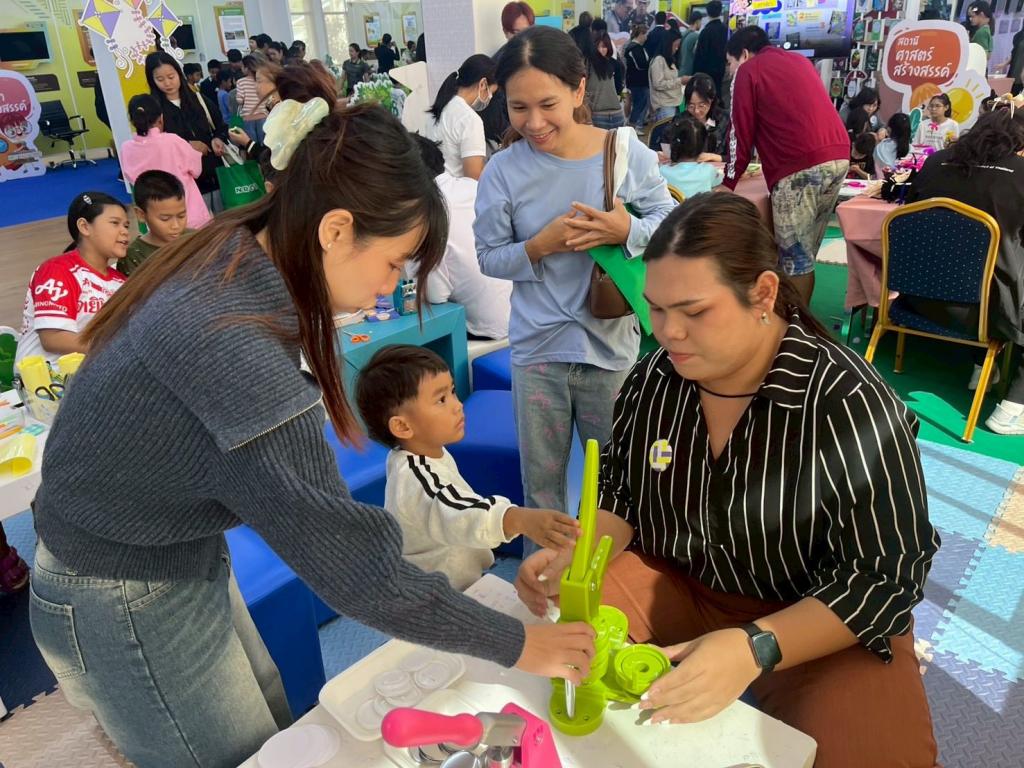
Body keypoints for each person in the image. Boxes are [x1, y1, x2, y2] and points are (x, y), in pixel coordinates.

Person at [28, 96, 597, 768]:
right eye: (394, 262)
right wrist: (522, 644)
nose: (390, 286)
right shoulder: (236, 347)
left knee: (271, 733)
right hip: (117, 584)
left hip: (159, 549)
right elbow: (356, 570)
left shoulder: (238, 246)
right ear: (336, 230)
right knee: (237, 754)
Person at [516, 191, 941, 768]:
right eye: (656, 309)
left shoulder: (849, 404)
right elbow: (621, 492)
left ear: (763, 293)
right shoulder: (655, 380)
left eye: (694, 312)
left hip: (809, 613)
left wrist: (754, 646)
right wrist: (582, 556)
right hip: (680, 583)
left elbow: (886, 577)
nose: (669, 333)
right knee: (557, 664)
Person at [474, 26, 675, 554]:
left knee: (620, 488)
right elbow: (489, 256)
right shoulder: (502, 171)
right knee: (542, 493)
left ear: (579, 89)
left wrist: (625, 230)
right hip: (537, 350)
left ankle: (619, 584)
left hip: (609, 350)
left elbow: (672, 224)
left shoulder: (621, 151)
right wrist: (537, 246)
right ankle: (545, 583)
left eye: (548, 104)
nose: (534, 123)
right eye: (518, 107)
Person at [355, 345, 580, 591]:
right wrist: (518, 519)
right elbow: (459, 512)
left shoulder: (423, 453)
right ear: (402, 427)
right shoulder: (417, 478)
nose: (457, 405)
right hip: (435, 596)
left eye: (452, 391)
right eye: (441, 400)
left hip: (453, 581)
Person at [905, 102, 1024, 434]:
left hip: (915, 299)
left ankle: (981, 366)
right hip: (984, 312)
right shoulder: (1020, 175)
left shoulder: (934, 163)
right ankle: (1013, 407)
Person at [724, 25, 849, 303]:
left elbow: (739, 131)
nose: (731, 71)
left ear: (743, 54)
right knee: (805, 255)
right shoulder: (799, 61)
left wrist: (729, 181)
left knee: (795, 260)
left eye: (730, 63)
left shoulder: (748, 70)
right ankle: (800, 317)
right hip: (838, 155)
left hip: (800, 166)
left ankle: (794, 322)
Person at [410, 135, 511, 339]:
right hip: (529, 314)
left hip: (488, 329)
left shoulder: (424, 216)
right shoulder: (474, 186)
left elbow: (435, 296)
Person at [15, 192, 128, 364]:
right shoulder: (57, 271)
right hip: (46, 376)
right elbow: (53, 339)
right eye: (115, 223)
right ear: (84, 227)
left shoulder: (122, 283)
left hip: (95, 372)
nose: (125, 231)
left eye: (126, 225)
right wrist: (118, 348)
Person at [145, 52, 228, 210]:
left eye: (171, 76)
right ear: (152, 80)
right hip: (184, 185)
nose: (167, 83)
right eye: (160, 79)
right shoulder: (154, 111)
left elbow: (220, 126)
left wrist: (217, 138)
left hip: (215, 175)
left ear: (179, 74)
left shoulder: (199, 99)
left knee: (223, 219)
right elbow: (154, 146)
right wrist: (186, 146)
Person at [120, 94, 209, 230]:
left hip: (157, 223)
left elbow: (132, 178)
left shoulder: (126, 148)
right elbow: (196, 170)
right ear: (161, 118)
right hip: (189, 216)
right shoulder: (172, 141)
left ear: (132, 121)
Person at [424, 54, 495, 180]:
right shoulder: (470, 119)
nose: (490, 98)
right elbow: (474, 177)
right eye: (491, 93)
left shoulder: (439, 107)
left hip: (433, 186)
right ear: (483, 84)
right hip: (455, 190)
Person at [119, 171, 190, 277]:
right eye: (165, 219)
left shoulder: (196, 238)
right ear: (141, 215)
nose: (176, 226)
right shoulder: (134, 257)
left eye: (181, 216)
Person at [659, 113, 723, 197]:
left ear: (673, 144)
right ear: (702, 145)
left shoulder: (663, 171)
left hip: (674, 206)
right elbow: (720, 179)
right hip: (701, 205)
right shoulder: (708, 170)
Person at [585, 32, 626, 130]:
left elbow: (619, 88)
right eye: (598, 46)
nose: (601, 50)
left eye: (604, 46)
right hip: (597, 114)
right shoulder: (588, 64)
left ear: (609, 47)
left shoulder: (615, 63)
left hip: (617, 113)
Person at [684, 73, 728, 161]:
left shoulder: (725, 120)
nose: (696, 111)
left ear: (711, 100)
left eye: (701, 105)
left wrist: (714, 157)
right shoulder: (680, 120)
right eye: (691, 106)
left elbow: (738, 156)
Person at [692, 0, 727, 93]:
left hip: (706, 72)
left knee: (706, 95)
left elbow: (700, 55)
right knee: (717, 92)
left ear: (707, 12)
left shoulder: (706, 31)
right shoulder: (726, 29)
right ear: (720, 11)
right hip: (721, 69)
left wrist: (695, 74)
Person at [649, 28, 683, 122]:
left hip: (673, 103)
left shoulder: (669, 60)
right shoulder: (658, 61)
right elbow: (658, 84)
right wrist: (680, 81)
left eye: (678, 46)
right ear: (668, 44)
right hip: (664, 106)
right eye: (675, 45)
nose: (677, 48)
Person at [236, 53, 269, 145]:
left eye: (242, 67)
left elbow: (240, 100)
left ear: (247, 68)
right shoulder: (261, 80)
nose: (241, 69)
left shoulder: (241, 82)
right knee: (264, 144)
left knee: (251, 144)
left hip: (248, 117)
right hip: (262, 116)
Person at [624, 24, 651, 129]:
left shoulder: (634, 47)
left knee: (639, 103)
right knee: (639, 103)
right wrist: (649, 64)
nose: (646, 38)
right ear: (640, 34)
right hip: (637, 81)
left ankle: (633, 124)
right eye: (645, 35)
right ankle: (633, 124)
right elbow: (640, 64)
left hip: (636, 80)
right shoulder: (634, 48)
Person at [873, 112, 912, 177]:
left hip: (882, 181)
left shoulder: (881, 147)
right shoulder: (911, 150)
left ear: (889, 129)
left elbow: (878, 171)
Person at [678, 10, 704, 81]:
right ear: (697, 21)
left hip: (680, 70)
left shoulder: (683, 34)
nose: (701, 24)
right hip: (689, 72)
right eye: (701, 22)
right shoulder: (695, 36)